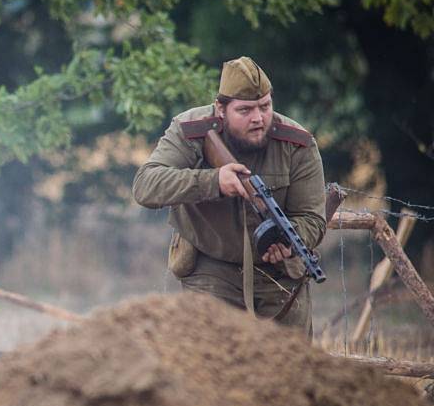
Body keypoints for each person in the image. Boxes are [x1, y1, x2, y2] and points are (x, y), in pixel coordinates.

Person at [132, 57, 326, 337]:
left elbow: (312, 218)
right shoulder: (191, 130)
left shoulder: (297, 144)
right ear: (220, 109)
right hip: (210, 266)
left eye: (265, 106)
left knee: (290, 372)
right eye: (245, 110)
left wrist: (290, 240)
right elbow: (145, 186)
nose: (258, 118)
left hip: (280, 273)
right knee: (210, 369)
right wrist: (213, 181)